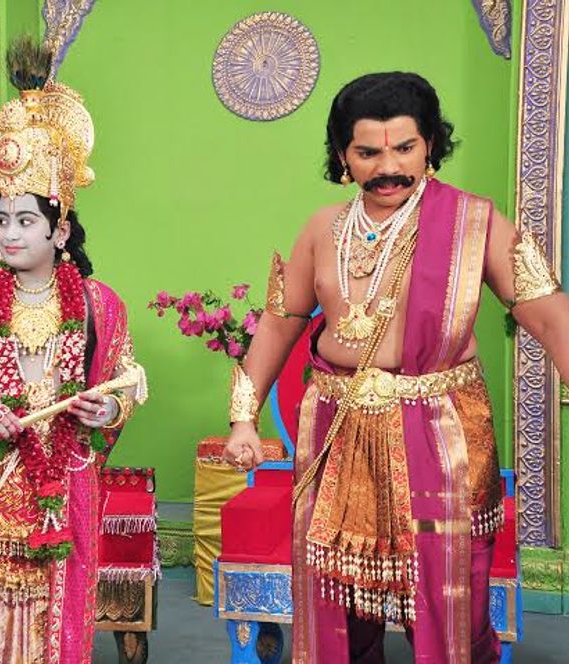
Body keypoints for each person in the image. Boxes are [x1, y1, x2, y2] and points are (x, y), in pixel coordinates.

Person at [222, 72, 568, 663]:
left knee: (450, 601)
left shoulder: (473, 225)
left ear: (430, 143)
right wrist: (242, 418)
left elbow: (549, 317)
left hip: (440, 432)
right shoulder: (322, 229)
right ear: (342, 156)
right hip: (337, 430)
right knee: (339, 598)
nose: (389, 167)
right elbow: (281, 322)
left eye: (405, 148)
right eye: (368, 153)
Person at [0, 39, 146, 664]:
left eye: (25, 220)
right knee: (1, 610)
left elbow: (128, 382)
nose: (9, 234)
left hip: (69, 468)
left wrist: (109, 411)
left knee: (61, 606)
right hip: (0, 473)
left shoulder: (99, 303)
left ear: (61, 228)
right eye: (1, 219)